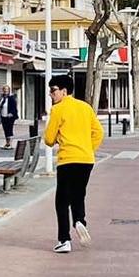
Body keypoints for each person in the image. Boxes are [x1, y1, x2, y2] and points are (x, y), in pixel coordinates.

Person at [42, 75, 103, 255]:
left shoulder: (58, 109)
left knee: (62, 200)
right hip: (86, 159)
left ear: (64, 91)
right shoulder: (85, 107)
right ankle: (79, 221)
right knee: (78, 194)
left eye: (53, 91)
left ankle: (64, 240)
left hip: (68, 159)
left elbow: (49, 139)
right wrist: (87, 148)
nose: (51, 95)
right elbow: (99, 132)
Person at [0, 83, 19, 148]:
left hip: (10, 117)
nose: (5, 91)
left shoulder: (11, 98)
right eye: (4, 90)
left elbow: (14, 107)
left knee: (9, 129)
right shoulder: (2, 98)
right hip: (3, 116)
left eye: (7, 90)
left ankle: (10, 144)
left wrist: (11, 113)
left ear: (9, 90)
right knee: (5, 130)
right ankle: (7, 143)